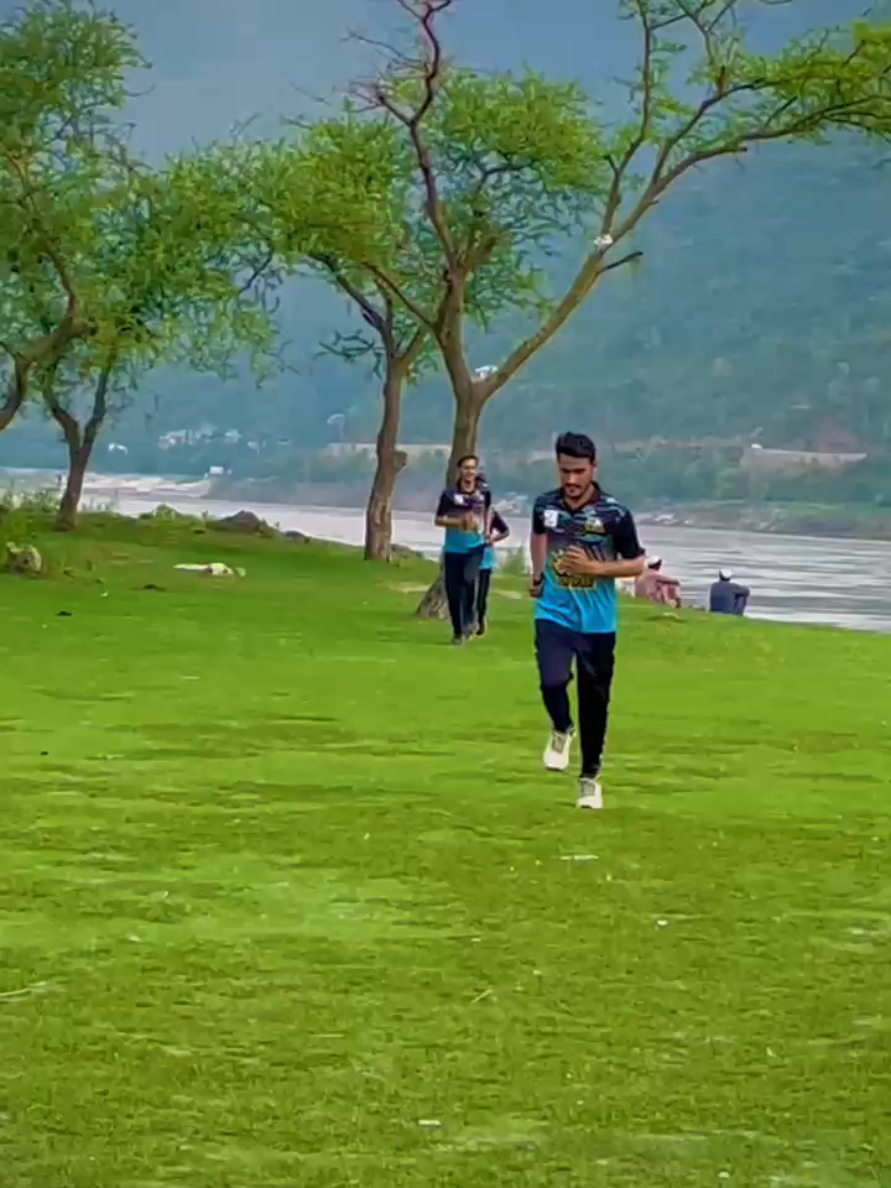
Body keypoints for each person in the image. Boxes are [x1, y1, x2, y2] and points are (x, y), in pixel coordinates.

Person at [529, 431, 646, 810]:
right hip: (554, 612)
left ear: (594, 468)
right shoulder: (545, 505)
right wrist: (537, 573)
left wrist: (594, 569)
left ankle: (589, 779)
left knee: (594, 706)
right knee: (552, 680)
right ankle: (562, 728)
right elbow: (538, 534)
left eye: (579, 471)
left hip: (596, 624)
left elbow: (637, 564)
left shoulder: (614, 514)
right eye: (565, 471)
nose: (571, 479)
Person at [435, 454, 491, 644]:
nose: (469, 472)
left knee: (469, 579)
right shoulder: (449, 495)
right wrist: (459, 522)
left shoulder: (483, 493)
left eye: (473, 468)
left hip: (475, 547)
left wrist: (485, 530)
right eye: (466, 468)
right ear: (460, 471)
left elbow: (488, 512)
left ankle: (470, 619)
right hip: (453, 549)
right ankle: (458, 632)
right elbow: (438, 519)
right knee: (453, 591)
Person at [475, 474, 510, 636]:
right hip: (467, 553)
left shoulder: (491, 514)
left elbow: (505, 531)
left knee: (481, 593)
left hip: (485, 557)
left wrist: (492, 539)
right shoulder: (467, 510)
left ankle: (480, 619)